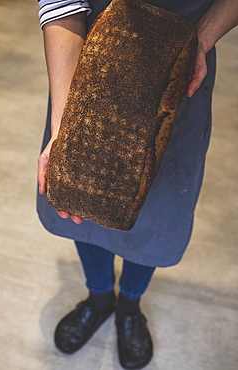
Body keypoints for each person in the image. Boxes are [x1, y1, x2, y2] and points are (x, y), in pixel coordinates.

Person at [36, 0, 238, 368]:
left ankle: (130, 304)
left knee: (156, 214)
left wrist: (199, 42)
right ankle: (99, 297)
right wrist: (64, 126)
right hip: (92, 65)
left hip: (179, 64)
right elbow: (60, 4)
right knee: (79, 200)